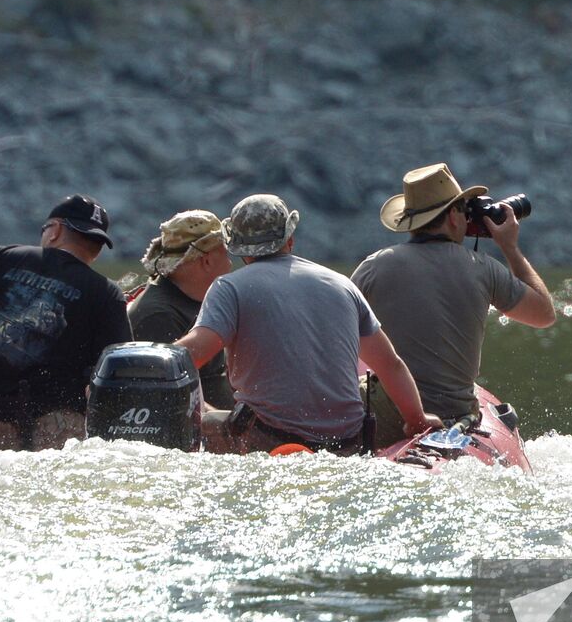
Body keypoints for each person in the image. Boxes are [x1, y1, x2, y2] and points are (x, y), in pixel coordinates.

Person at [174, 193, 441, 455]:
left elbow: (194, 353)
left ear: (238, 248)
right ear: (289, 240)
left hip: (269, 439)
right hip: (347, 443)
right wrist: (417, 420)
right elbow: (390, 364)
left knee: (206, 423)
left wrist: (152, 357)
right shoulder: (342, 285)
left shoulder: (229, 287)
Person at [351, 162, 556, 441]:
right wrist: (510, 247)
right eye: (463, 208)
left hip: (389, 413)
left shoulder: (374, 267)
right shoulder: (485, 269)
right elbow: (544, 314)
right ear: (453, 217)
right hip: (457, 412)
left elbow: (333, 337)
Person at [0, 194, 132, 452]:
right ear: (96, 248)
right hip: (59, 430)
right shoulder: (106, 293)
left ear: (55, 231)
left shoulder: (8, 259)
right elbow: (120, 371)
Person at [128, 209, 235, 408]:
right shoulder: (158, 316)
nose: (230, 264)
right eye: (225, 253)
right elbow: (163, 397)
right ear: (207, 260)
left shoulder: (194, 300)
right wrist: (224, 424)